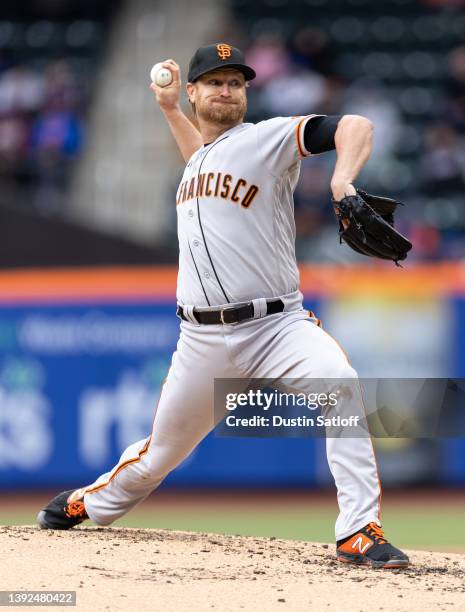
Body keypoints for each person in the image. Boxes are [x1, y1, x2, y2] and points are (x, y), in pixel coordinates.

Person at [37, 43, 409, 570]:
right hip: (202, 341)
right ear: (194, 92)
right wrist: (167, 110)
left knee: (340, 388)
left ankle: (358, 530)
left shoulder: (265, 139)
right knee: (158, 458)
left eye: (235, 82)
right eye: (214, 81)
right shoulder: (198, 163)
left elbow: (356, 125)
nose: (227, 90)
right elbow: (202, 159)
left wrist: (341, 179)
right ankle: (92, 502)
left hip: (277, 326)